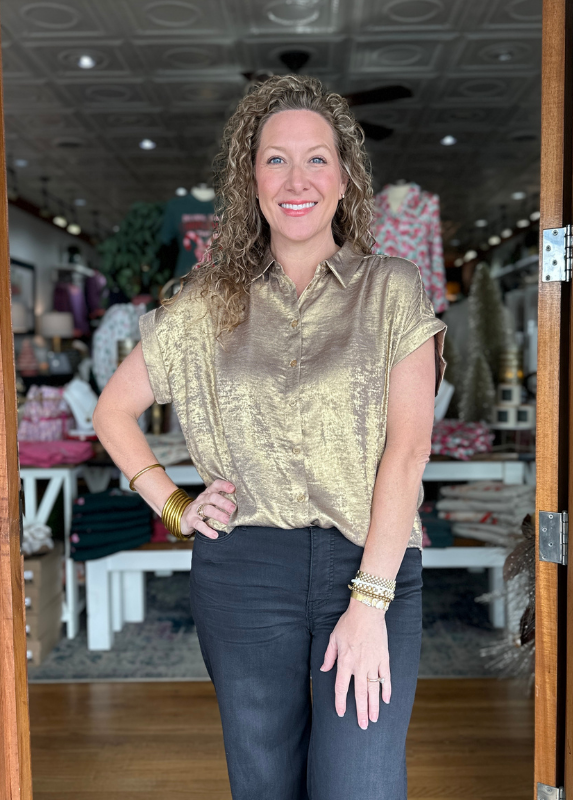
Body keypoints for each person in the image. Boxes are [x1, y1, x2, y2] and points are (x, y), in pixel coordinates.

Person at [93, 74, 447, 800]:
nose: (296, 179)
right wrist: (173, 504)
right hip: (245, 571)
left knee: (359, 784)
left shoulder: (393, 289)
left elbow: (409, 450)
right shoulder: (204, 301)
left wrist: (369, 601)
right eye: (275, 159)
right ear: (249, 178)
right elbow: (113, 411)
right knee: (264, 785)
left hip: (370, 560)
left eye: (317, 158)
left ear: (344, 178)